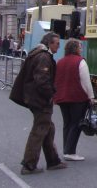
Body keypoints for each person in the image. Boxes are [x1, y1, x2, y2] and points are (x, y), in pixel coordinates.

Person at [9, 32, 67, 175]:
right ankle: (29, 165)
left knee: (48, 128)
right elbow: (42, 81)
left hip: (35, 98)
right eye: (57, 43)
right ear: (49, 43)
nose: (58, 47)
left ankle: (53, 161)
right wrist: (50, 96)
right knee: (40, 130)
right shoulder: (43, 57)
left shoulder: (39, 53)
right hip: (40, 100)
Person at [54, 38, 95, 161]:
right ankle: (70, 151)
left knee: (67, 123)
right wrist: (91, 96)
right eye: (80, 47)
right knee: (76, 124)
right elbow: (86, 81)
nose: (81, 49)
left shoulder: (60, 62)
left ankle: (66, 149)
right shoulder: (80, 62)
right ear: (76, 48)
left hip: (62, 97)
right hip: (77, 97)